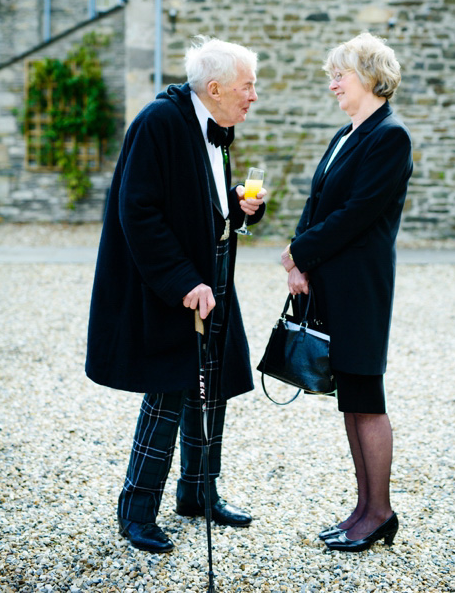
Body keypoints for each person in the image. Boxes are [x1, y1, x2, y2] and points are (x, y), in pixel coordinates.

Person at [86, 36, 267, 554]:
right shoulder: (157, 123)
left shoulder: (217, 127)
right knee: (166, 395)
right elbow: (137, 211)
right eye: (247, 86)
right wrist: (184, 282)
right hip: (171, 287)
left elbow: (196, 202)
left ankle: (198, 493)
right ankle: (137, 511)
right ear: (215, 88)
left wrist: (236, 209)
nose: (253, 96)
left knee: (209, 390)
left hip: (213, 279)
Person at [280, 32, 413, 553]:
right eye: (332, 74)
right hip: (333, 280)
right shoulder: (345, 134)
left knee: (366, 395)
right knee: (349, 399)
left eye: (342, 74)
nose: (332, 83)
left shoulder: (390, 136)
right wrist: (300, 257)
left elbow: (357, 214)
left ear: (372, 78)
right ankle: (362, 510)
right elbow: (318, 203)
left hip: (362, 285)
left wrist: (300, 252)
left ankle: (379, 512)